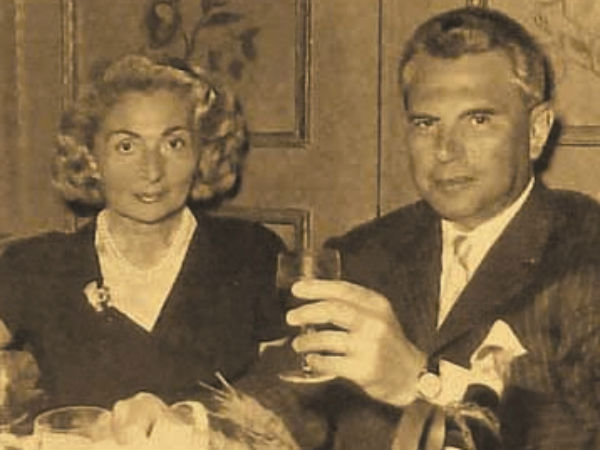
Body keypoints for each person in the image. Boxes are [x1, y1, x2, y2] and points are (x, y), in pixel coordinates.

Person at [285, 7, 600, 450]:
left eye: (478, 120)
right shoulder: (364, 251)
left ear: (536, 131)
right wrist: (198, 421)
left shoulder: (586, 253)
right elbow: (286, 394)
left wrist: (421, 384)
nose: (446, 151)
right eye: (426, 123)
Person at [0, 54, 287, 411]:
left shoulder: (252, 252)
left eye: (174, 144)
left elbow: (292, 398)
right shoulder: (38, 264)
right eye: (126, 146)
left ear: (203, 154)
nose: (151, 171)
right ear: (91, 158)